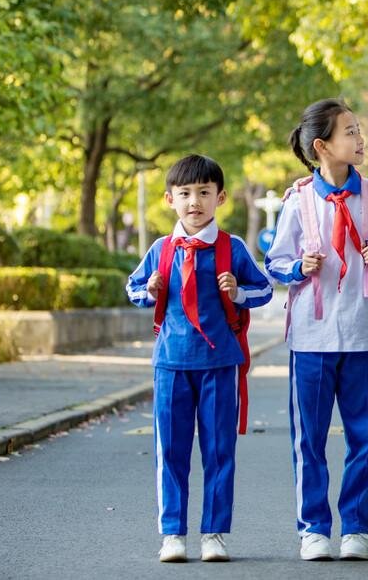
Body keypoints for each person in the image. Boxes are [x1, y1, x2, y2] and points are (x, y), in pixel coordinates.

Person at [264, 99, 368, 561]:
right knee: (308, 437)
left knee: (362, 437)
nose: (360, 139)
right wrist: (297, 267)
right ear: (322, 146)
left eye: (359, 130)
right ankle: (313, 528)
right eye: (350, 132)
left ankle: (356, 528)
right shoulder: (298, 200)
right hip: (311, 335)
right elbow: (276, 261)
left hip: (365, 332)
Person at [126, 154, 273, 563]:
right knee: (170, 451)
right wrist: (151, 290)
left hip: (220, 365)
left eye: (204, 193)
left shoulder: (233, 248)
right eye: (186, 193)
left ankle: (214, 533)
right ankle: (172, 533)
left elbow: (263, 290)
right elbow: (133, 288)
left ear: (220, 197)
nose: (195, 201)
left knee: (218, 451)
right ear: (169, 199)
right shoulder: (161, 249)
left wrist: (236, 292)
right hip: (171, 363)